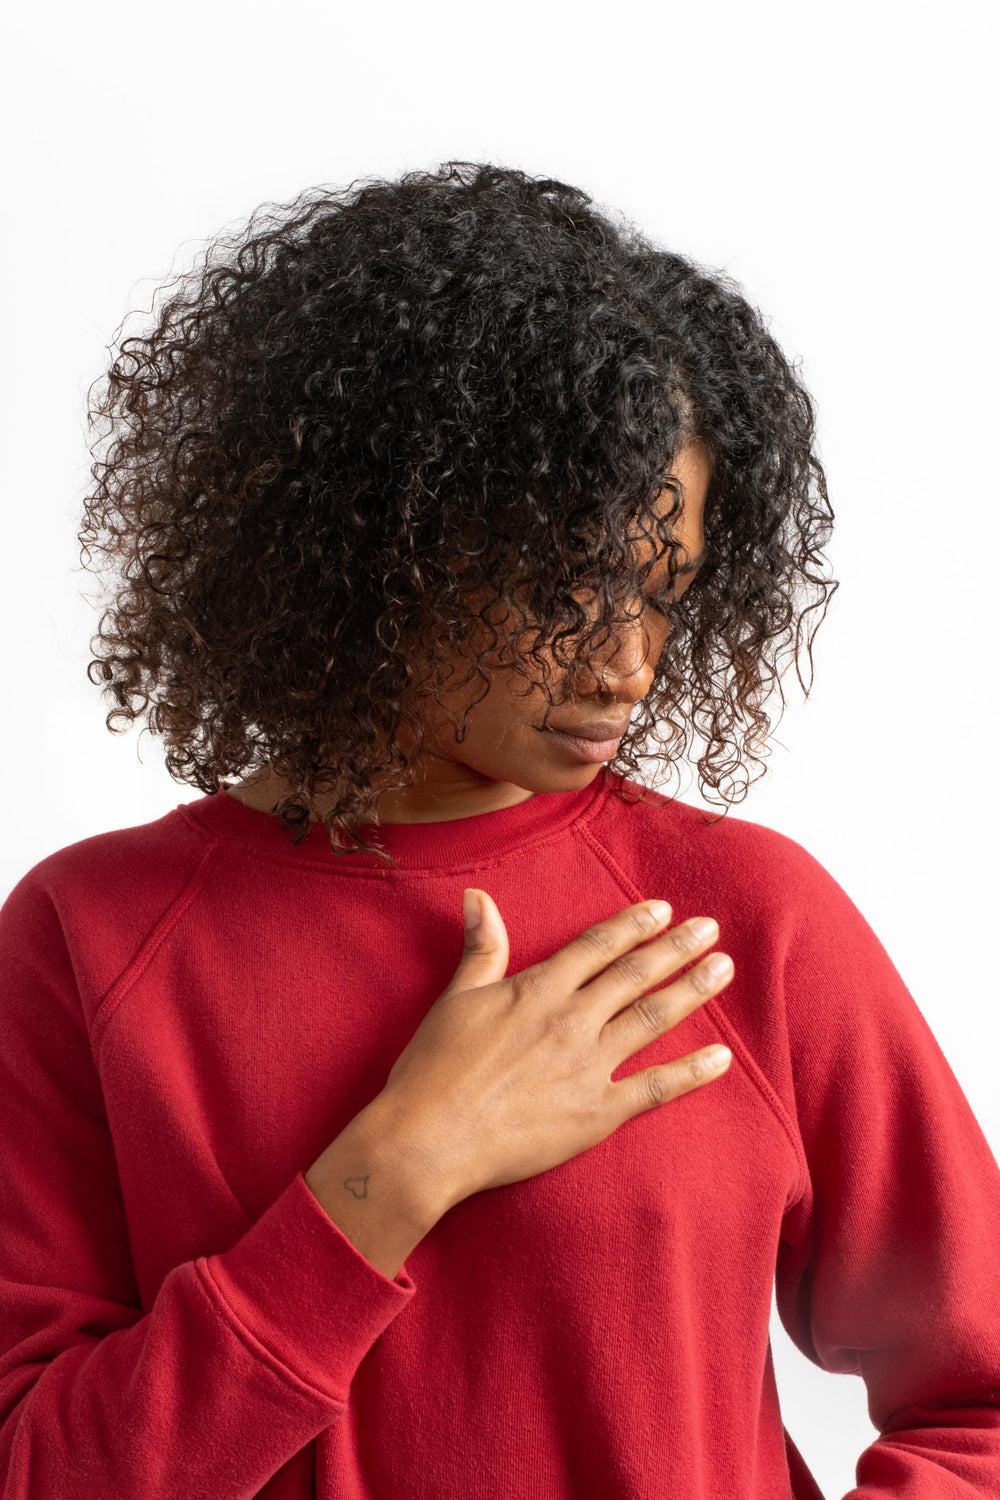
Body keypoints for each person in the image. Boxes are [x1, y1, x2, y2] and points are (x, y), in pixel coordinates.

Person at [1, 160, 997, 1500]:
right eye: (568, 585)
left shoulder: (733, 919)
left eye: (667, 592)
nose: (629, 665)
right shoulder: (90, 940)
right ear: (378, 537)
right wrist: (397, 1169)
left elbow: (980, 1404)